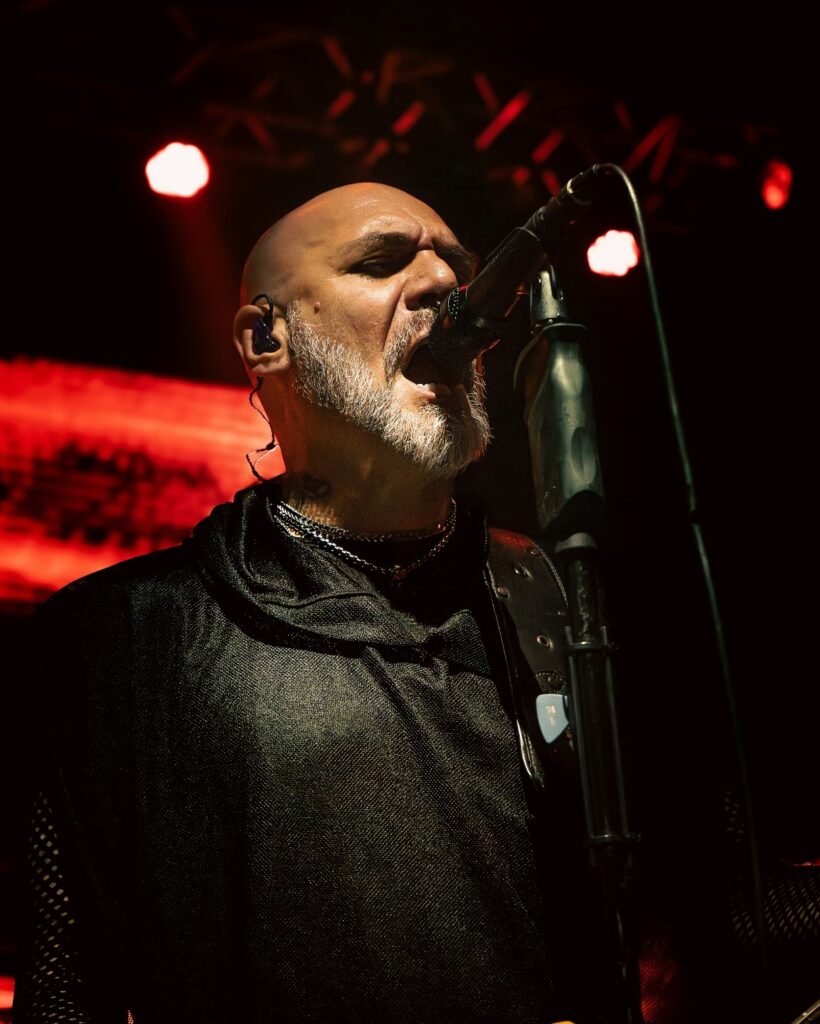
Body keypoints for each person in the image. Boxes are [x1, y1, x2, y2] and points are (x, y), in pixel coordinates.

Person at [12, 182, 606, 1023]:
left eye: (457, 266)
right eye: (383, 262)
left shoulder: (548, 601)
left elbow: (703, 918)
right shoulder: (119, 637)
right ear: (266, 338)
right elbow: (65, 989)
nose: (445, 284)